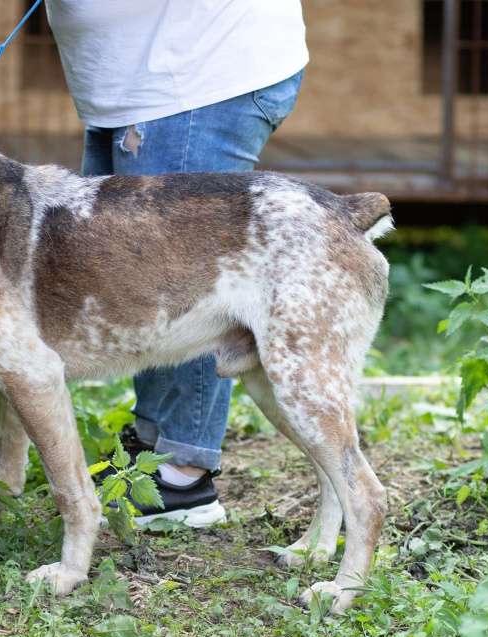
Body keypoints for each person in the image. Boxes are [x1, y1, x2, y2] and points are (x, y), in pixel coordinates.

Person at [45, 0, 308, 526]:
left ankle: (182, 476)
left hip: (196, 75)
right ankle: (153, 450)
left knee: (182, 281)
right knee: (135, 280)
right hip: (134, 85)